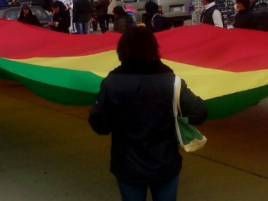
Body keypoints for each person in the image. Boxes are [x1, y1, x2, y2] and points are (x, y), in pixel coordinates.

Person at [89, 27, 207, 201]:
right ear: (154, 49)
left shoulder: (111, 83)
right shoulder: (172, 81)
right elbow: (199, 113)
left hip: (127, 164)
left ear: (121, 51)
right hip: (165, 163)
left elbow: (100, 125)